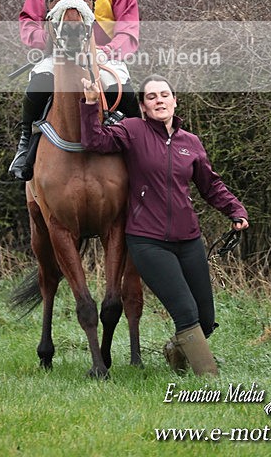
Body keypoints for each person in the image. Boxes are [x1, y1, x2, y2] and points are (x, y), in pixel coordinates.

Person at [80, 73, 249, 376]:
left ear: (174, 100)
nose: (159, 100)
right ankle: (209, 380)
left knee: (205, 319)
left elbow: (210, 185)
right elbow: (94, 140)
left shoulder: (191, 143)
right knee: (186, 313)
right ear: (143, 107)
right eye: (151, 97)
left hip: (189, 240)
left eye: (164, 95)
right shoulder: (132, 130)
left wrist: (235, 210)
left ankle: (176, 350)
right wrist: (91, 104)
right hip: (148, 241)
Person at [9, 0, 141, 181]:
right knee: (37, 85)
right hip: (58, 55)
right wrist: (45, 40)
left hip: (104, 57)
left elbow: (130, 28)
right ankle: (24, 144)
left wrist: (108, 51)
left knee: (126, 93)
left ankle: (145, 152)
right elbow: (28, 21)